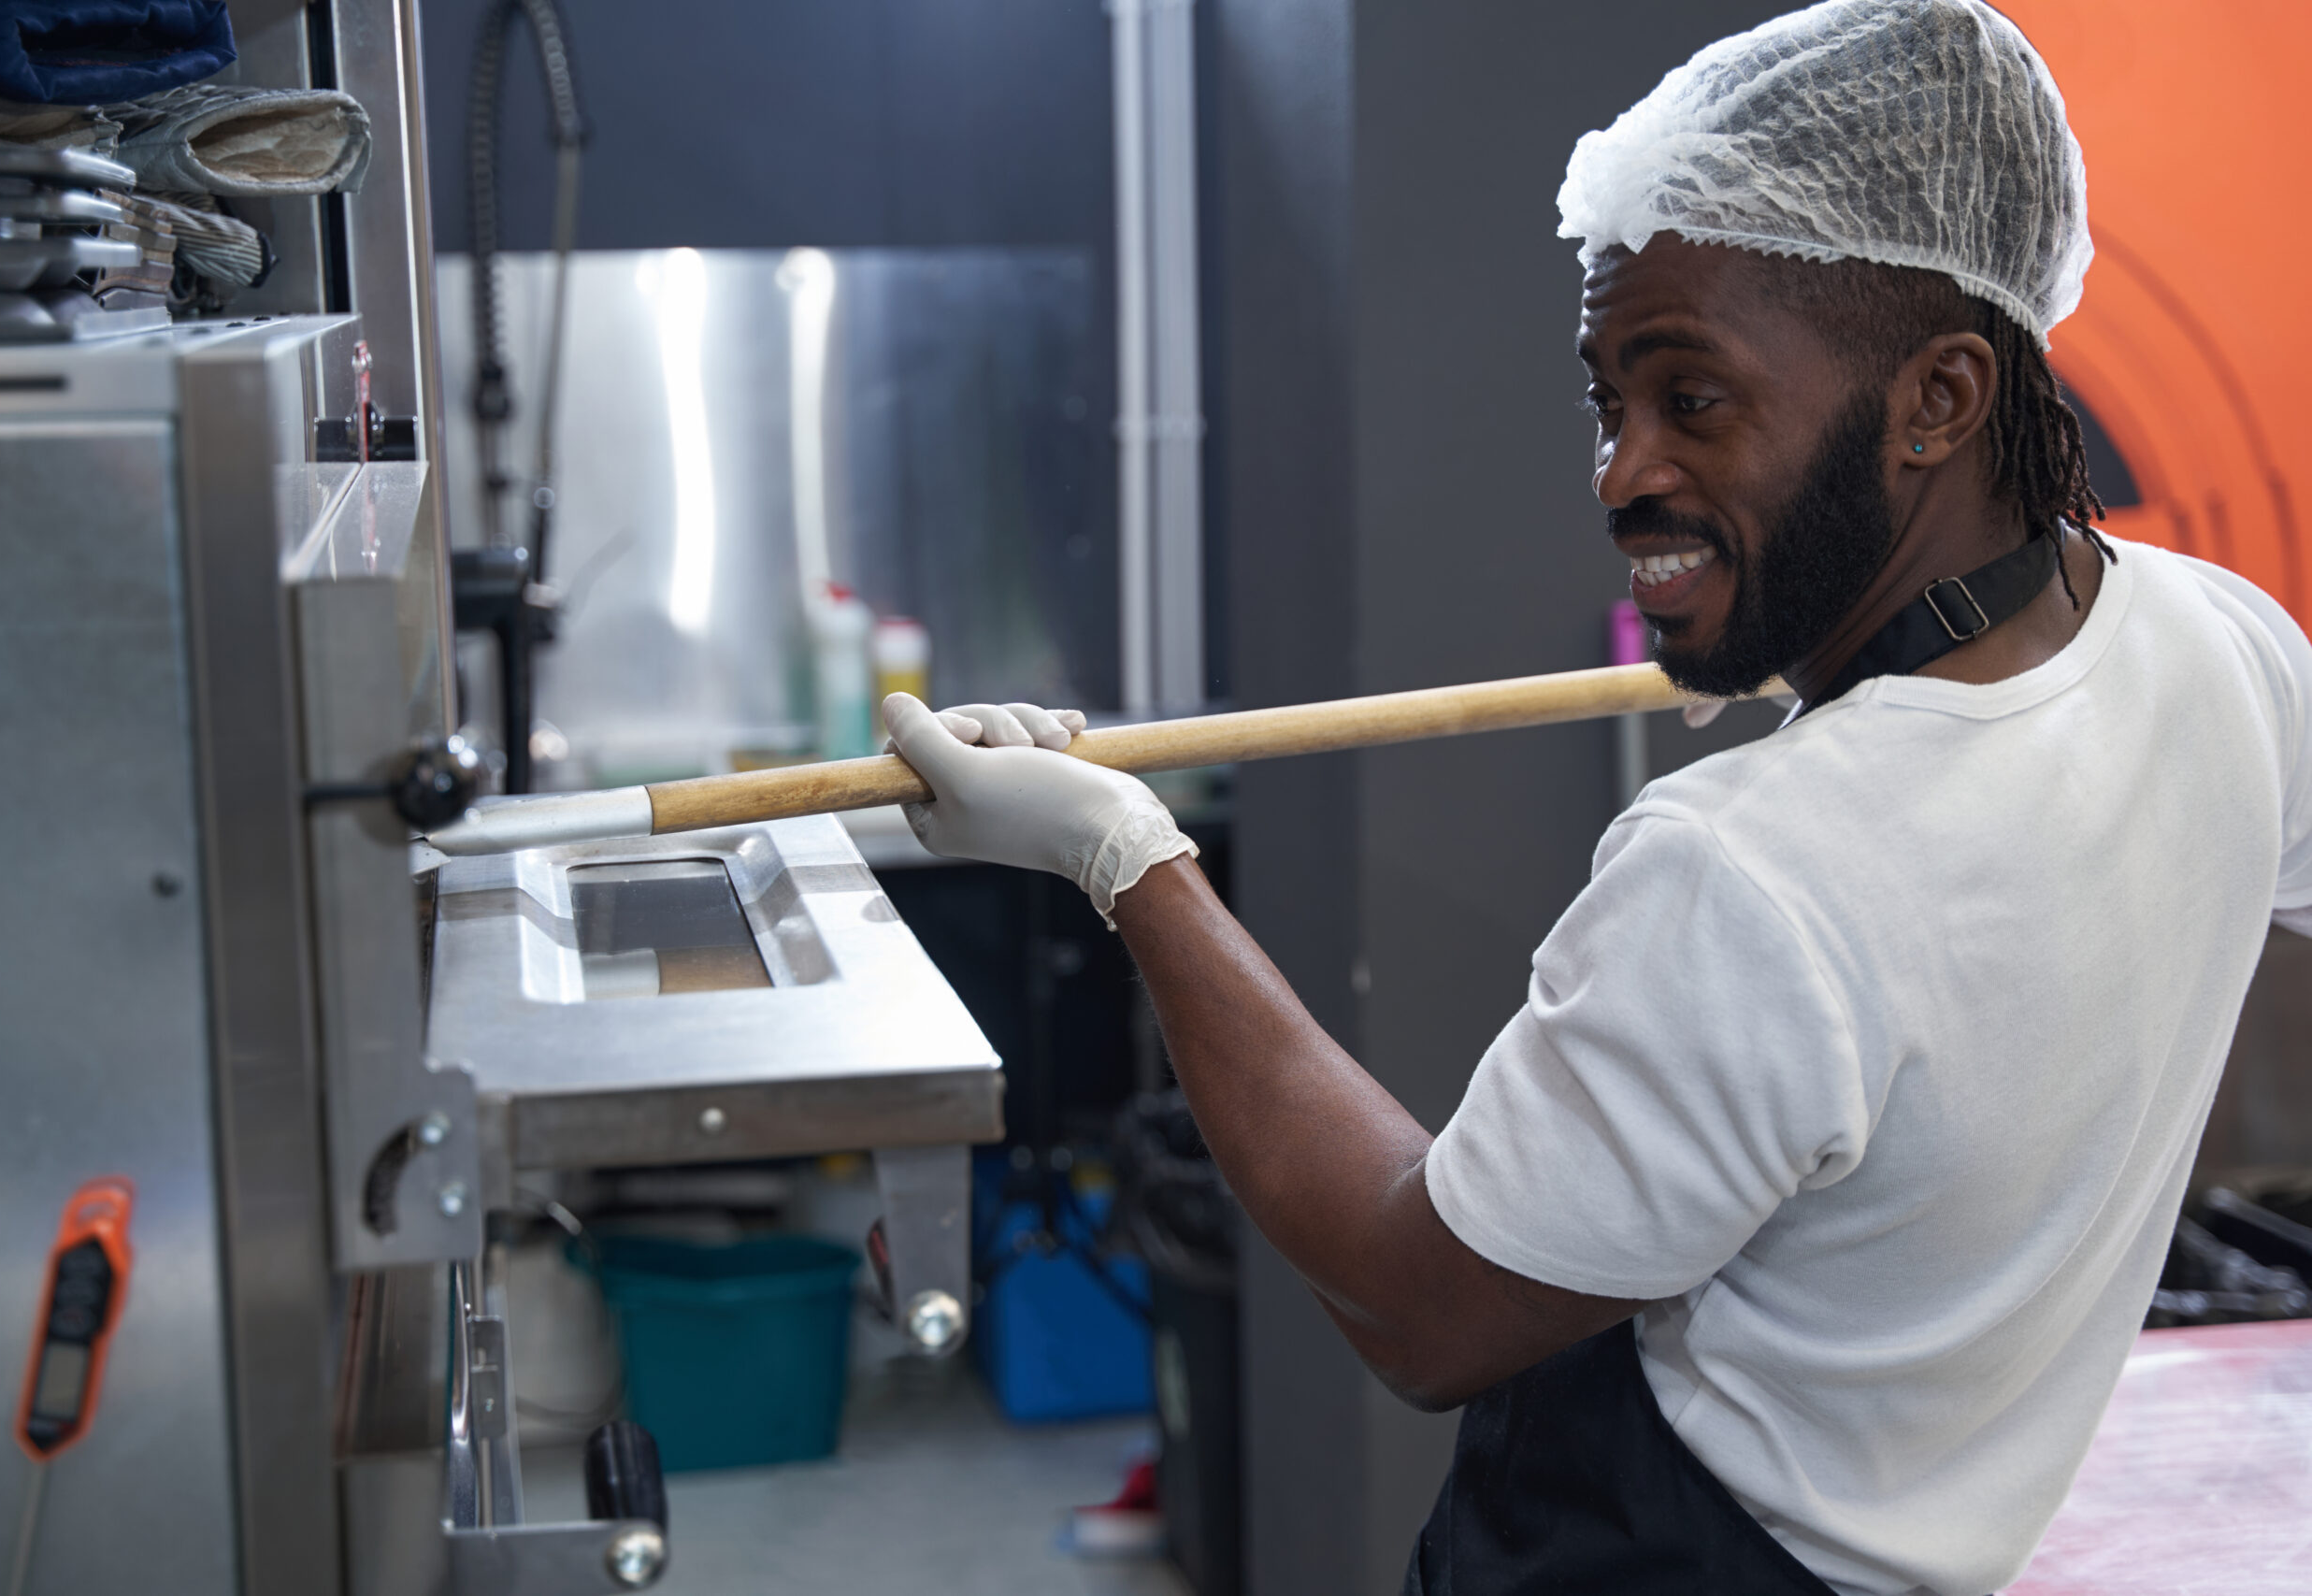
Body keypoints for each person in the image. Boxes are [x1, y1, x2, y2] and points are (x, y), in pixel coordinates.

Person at [879, 2, 2312, 1590]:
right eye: (1606, 400)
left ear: (1941, 399)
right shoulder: (2226, 648)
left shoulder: (1758, 872)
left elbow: (1417, 1300)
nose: (1620, 471)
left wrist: (1120, 853)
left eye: (1693, 399)